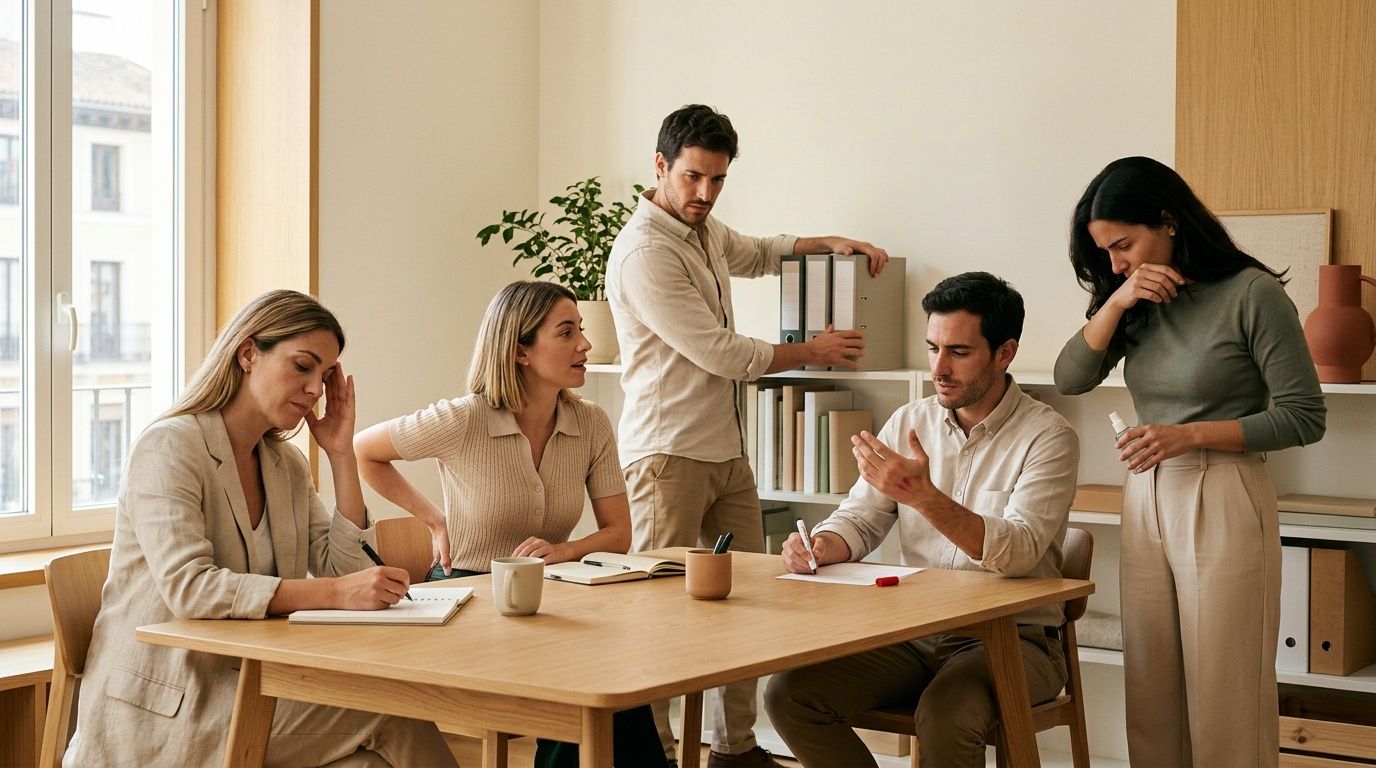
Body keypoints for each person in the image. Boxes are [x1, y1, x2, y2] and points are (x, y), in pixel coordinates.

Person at [606, 103, 890, 768]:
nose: (704, 194)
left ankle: (734, 751)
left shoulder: (698, 231)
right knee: (657, 615)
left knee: (745, 606)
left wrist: (823, 244)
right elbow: (722, 353)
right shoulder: (645, 252)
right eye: (693, 178)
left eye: (718, 180)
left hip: (726, 454)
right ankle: (653, 755)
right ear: (660, 167)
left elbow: (757, 252)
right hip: (665, 456)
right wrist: (812, 352)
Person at [65, 290, 456, 768]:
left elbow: (342, 567)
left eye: (325, 375)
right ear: (248, 353)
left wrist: (340, 455)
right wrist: (333, 594)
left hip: (252, 686)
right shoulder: (169, 448)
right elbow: (191, 589)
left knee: (370, 764)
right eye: (303, 366)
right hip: (167, 707)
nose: (316, 388)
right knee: (397, 718)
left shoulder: (283, 463)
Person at [1054, 156, 1325, 767]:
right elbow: (1070, 378)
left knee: (1225, 690)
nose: (1117, 262)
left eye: (1124, 245)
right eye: (1107, 254)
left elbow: (1305, 416)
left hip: (1225, 490)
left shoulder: (1251, 295)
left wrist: (1188, 436)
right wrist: (1117, 300)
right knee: (1150, 684)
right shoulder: (1134, 302)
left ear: (1169, 221)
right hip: (1146, 496)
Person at [764, 272, 1079, 768]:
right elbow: (862, 517)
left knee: (946, 713)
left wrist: (925, 497)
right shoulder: (911, 419)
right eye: (933, 348)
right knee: (790, 694)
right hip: (915, 633)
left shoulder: (1048, 436)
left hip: (1015, 639)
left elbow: (1018, 552)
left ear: (1005, 352)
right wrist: (823, 543)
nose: (939, 367)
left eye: (958, 351)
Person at [354, 280, 665, 768]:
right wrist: (433, 519)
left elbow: (617, 534)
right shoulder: (463, 419)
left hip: (548, 604)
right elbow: (365, 451)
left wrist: (561, 551)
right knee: (580, 690)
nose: (585, 344)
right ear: (520, 350)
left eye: (581, 330)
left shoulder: (593, 424)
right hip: (466, 604)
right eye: (567, 333)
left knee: (617, 679)